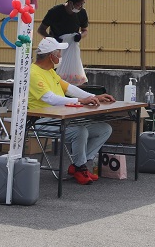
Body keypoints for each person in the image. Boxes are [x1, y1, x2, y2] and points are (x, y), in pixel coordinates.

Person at [29, 37, 116, 185]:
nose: (61, 56)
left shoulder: (50, 71)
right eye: (59, 53)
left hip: (62, 117)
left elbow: (69, 88)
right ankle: (80, 166)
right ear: (51, 56)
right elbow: (49, 98)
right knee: (80, 131)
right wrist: (80, 101)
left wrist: (94, 97)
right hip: (42, 120)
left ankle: (78, 165)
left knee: (104, 129)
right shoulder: (33, 73)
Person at [37, 0, 89, 84]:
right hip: (55, 50)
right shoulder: (55, 11)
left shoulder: (82, 13)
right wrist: (53, 39)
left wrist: (80, 36)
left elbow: (85, 30)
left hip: (72, 48)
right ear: (70, 2)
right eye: (78, 4)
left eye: (82, 4)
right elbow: (41, 30)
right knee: (54, 76)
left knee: (74, 78)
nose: (80, 7)